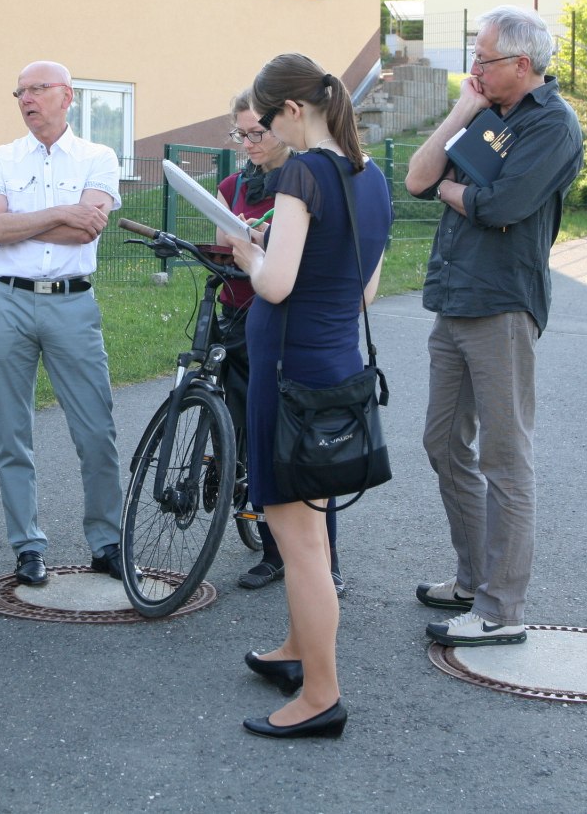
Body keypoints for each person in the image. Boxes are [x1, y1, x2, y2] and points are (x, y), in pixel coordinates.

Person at [222, 54, 392, 741]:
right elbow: (364, 290)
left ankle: (320, 694)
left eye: (264, 119)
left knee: (299, 544)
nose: (262, 131)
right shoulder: (369, 174)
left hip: (288, 371)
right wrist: (284, 253)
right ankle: (298, 649)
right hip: (332, 363)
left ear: (293, 110)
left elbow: (276, 285)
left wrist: (250, 255)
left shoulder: (302, 172)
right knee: (311, 528)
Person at [404, 5, 584, 648]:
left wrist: (461, 194)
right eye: (474, 57)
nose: (473, 68)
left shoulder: (552, 126)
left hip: (503, 305)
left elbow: (503, 204)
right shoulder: (486, 115)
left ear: (523, 64)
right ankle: (472, 577)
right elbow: (418, 179)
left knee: (505, 460)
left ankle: (501, 609)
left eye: (484, 59)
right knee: (442, 443)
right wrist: (461, 113)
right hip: (454, 299)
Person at [0, 61, 125, 586]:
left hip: (72, 303)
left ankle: (107, 542)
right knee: (12, 432)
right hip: (7, 302)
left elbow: (88, 231)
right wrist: (61, 213)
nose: (26, 99)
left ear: (68, 95)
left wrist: (21, 224)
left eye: (37, 89)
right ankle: (27, 546)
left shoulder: (98, 157)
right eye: (20, 91)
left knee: (96, 429)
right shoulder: (0, 158)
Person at [216, 90, 347, 597]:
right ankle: (277, 551)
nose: (249, 142)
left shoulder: (301, 180)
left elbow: (294, 261)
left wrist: (257, 247)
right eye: (241, 133)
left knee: (300, 449)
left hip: (282, 317)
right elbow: (223, 245)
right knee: (252, 436)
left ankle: (315, 562)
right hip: (237, 315)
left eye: (258, 131)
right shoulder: (233, 184)